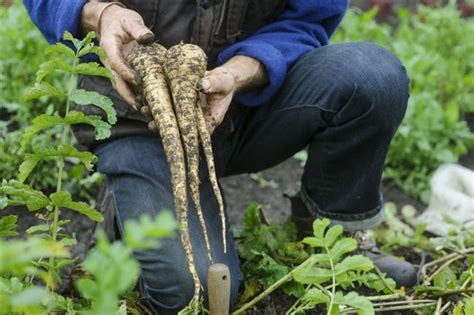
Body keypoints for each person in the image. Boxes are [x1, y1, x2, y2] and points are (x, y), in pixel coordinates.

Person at [24, 0, 417, 313]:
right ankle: (128, 203)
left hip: (247, 106)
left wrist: (239, 72)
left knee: (372, 75)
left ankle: (336, 235)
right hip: (139, 121)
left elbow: (308, 19)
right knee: (191, 292)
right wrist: (101, 14)